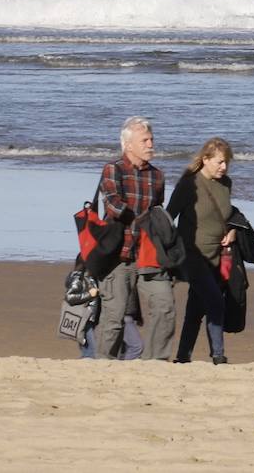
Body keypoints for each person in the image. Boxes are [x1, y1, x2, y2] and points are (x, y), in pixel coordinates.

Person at [92, 116, 176, 360]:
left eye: (152, 139)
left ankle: (155, 362)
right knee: (114, 317)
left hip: (148, 255)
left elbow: (158, 211)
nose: (151, 144)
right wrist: (143, 219)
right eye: (145, 140)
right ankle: (103, 363)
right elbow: (113, 207)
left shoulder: (157, 176)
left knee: (165, 306)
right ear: (128, 145)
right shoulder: (113, 169)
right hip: (118, 256)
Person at [168, 137, 237, 364]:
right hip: (192, 255)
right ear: (205, 159)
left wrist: (232, 232)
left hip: (217, 256)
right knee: (216, 301)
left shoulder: (226, 183)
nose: (224, 167)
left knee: (196, 309)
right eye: (219, 162)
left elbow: (229, 213)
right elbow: (169, 216)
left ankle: (182, 357)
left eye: (226, 162)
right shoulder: (189, 184)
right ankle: (218, 355)